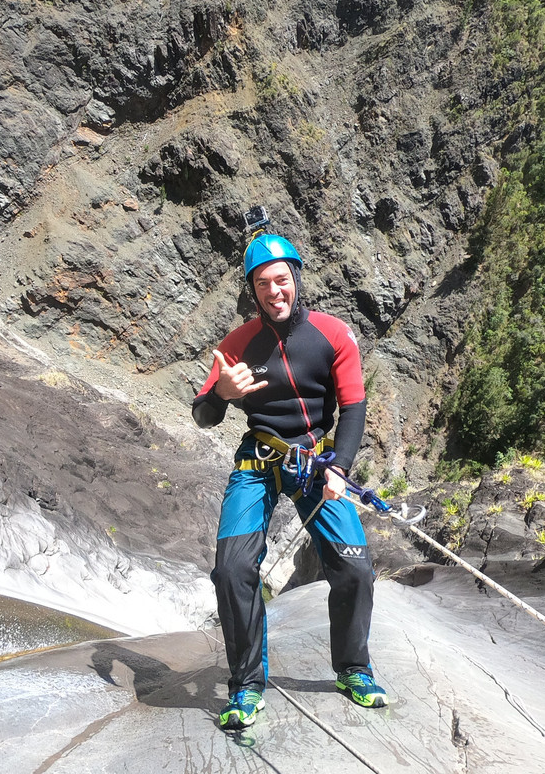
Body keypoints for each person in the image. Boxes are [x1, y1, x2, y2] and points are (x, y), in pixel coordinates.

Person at [192, 231, 387, 731]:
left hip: (317, 464)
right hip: (258, 461)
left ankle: (354, 669)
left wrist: (339, 468)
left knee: (356, 570)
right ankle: (246, 684)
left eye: (282, 280)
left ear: (296, 278)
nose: (274, 291)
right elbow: (203, 414)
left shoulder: (333, 335)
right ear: (252, 291)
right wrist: (223, 397)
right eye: (263, 284)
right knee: (232, 570)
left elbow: (353, 406)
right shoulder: (237, 345)